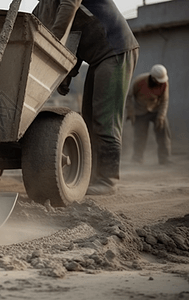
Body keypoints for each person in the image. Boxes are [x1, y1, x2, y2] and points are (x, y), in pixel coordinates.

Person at [32, 0, 139, 195]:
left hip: (116, 50)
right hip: (98, 57)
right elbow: (75, 38)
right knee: (88, 119)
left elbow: (67, 13)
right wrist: (66, 73)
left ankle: (108, 180)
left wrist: (53, 49)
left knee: (104, 118)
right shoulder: (45, 6)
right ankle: (93, 175)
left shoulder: (64, 4)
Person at [126, 64, 171, 165]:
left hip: (156, 110)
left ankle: (164, 159)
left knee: (163, 133)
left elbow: (164, 101)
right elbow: (129, 97)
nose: (160, 83)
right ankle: (137, 159)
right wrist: (131, 112)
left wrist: (161, 117)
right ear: (153, 78)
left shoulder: (164, 84)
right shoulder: (139, 81)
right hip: (140, 111)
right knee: (139, 136)